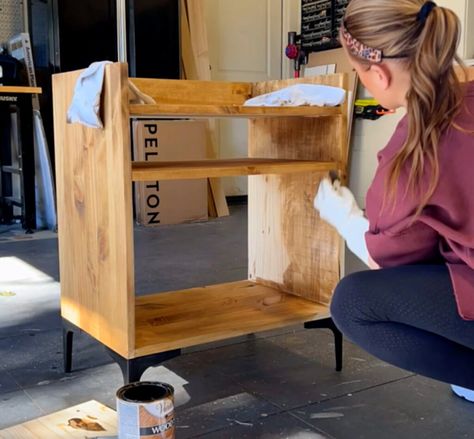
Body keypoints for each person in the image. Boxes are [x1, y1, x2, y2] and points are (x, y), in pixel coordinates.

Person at [314, 0, 474, 402]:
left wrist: (345, 215)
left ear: (379, 74)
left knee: (354, 302)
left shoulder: (413, 152)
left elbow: (386, 260)